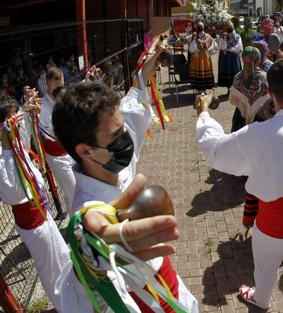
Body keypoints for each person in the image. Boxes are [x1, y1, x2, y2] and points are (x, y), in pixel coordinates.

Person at [52, 48, 199, 312]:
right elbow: (88, 248)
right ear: (85, 151)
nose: (126, 137)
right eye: (117, 134)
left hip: (173, 287)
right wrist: (92, 258)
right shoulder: (88, 214)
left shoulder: (109, 151)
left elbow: (135, 92)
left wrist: (154, 52)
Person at [195, 59, 283, 313]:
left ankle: (261, 300)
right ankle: (264, 299)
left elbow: (216, 149)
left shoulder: (259, 134)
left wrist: (203, 113)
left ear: (269, 92)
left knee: (265, 270)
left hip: (274, 230)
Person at [0, 90, 70, 311]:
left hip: (43, 212)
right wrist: (6, 145)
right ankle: (65, 305)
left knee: (62, 256)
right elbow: (11, 192)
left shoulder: (14, 142)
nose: (16, 123)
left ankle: (76, 296)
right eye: (12, 120)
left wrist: (28, 111)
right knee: (50, 271)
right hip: (32, 225)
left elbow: (23, 132)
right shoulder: (3, 153)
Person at [39, 67, 76, 208]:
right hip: (57, 155)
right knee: (72, 190)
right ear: (48, 87)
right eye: (56, 88)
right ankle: (79, 224)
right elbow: (48, 132)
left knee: (75, 189)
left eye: (62, 86)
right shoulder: (41, 105)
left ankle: (76, 219)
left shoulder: (65, 98)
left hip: (71, 149)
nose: (60, 91)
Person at [229, 46, 270, 132]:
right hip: (258, 120)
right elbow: (268, 99)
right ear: (258, 60)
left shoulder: (237, 77)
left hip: (239, 116)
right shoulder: (265, 77)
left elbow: (233, 98)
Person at [189, 21, 218, 91]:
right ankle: (201, 90)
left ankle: (202, 90)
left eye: (199, 26)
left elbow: (215, 46)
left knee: (203, 73)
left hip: (201, 58)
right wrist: (208, 51)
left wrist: (208, 50)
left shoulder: (207, 36)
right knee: (200, 73)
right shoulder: (196, 36)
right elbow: (215, 46)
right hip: (200, 58)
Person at [218, 22, 243, 94]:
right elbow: (221, 46)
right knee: (227, 72)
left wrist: (229, 49)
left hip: (233, 57)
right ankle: (229, 90)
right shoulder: (223, 36)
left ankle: (235, 90)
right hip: (226, 58)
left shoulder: (237, 36)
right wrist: (224, 39)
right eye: (228, 27)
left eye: (230, 27)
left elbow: (238, 47)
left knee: (235, 73)